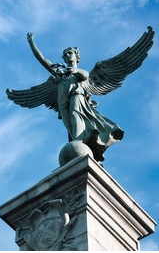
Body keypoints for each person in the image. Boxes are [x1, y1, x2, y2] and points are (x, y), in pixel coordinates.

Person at [26, 33, 124, 161]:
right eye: (65, 54)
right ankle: (77, 143)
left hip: (77, 96)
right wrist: (31, 42)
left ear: (77, 56)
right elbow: (42, 59)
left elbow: (85, 76)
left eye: (70, 53)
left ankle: (78, 143)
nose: (67, 56)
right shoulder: (60, 73)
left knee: (75, 114)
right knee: (69, 125)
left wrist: (75, 71)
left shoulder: (79, 72)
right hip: (62, 101)